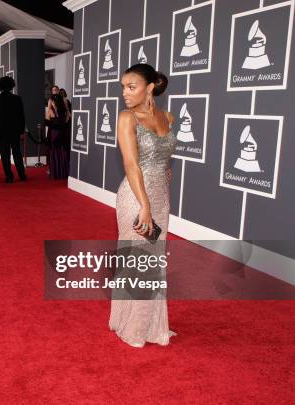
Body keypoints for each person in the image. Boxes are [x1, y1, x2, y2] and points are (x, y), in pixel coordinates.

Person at [109, 63, 176, 348]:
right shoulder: (127, 118)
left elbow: (162, 153)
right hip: (136, 198)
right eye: (123, 86)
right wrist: (144, 206)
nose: (125, 92)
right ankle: (132, 325)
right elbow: (131, 164)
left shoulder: (169, 117)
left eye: (131, 86)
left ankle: (150, 324)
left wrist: (164, 169)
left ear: (150, 87)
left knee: (153, 260)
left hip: (161, 195)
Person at [0, 76, 27, 183]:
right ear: (11, 85)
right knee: (17, 153)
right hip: (15, 130)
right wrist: (22, 131)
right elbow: (21, 116)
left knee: (4, 155)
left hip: (1, 131)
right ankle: (22, 175)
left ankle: (9, 176)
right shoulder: (17, 98)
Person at [45, 94, 69, 179]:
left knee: (54, 152)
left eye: (51, 101)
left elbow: (47, 122)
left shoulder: (50, 111)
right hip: (62, 132)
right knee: (62, 152)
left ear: (53, 102)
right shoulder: (64, 111)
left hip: (54, 133)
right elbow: (66, 120)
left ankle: (56, 173)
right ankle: (63, 173)